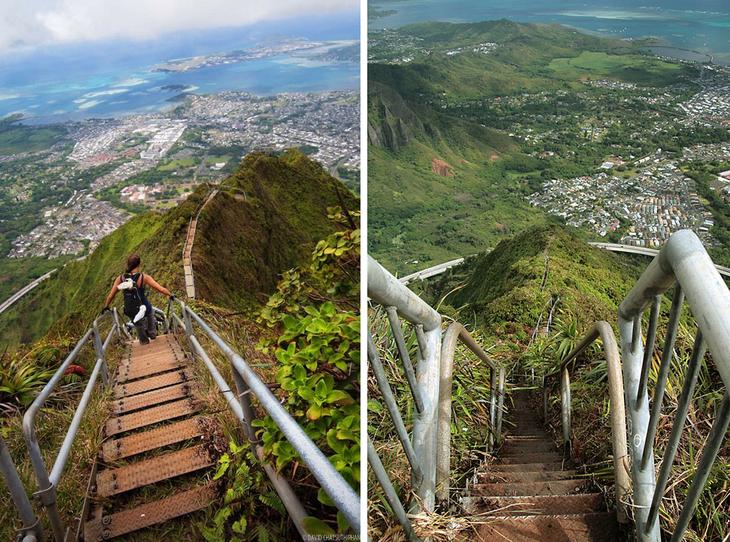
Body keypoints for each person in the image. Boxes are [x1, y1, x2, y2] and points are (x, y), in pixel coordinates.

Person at [103, 254, 173, 344]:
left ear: (128, 265)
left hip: (131, 309)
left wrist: (106, 306)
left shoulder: (121, 279)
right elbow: (161, 289)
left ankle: (144, 341)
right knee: (152, 329)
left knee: (139, 326)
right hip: (145, 308)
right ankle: (151, 334)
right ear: (138, 264)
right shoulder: (144, 277)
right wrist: (170, 294)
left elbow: (111, 295)